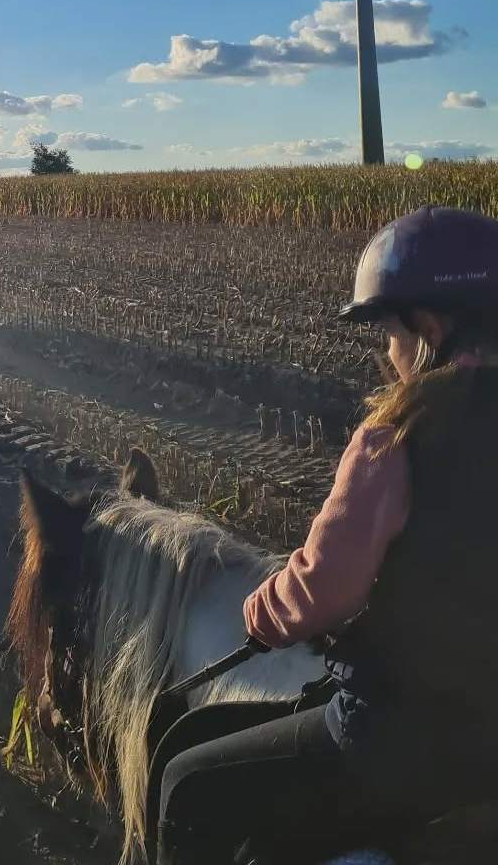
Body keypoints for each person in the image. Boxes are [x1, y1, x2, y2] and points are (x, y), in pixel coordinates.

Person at [155, 206, 498, 864]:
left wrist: (261, 614)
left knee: (186, 783)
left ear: (428, 329)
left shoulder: (397, 439)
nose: (389, 354)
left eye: (391, 333)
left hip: (402, 742)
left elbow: (326, 587)